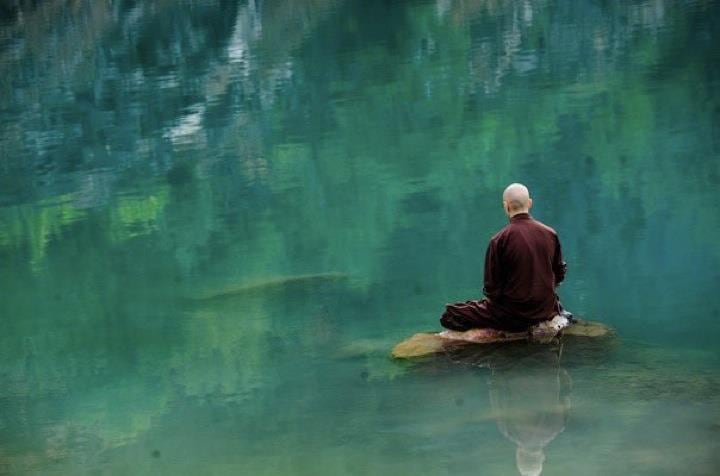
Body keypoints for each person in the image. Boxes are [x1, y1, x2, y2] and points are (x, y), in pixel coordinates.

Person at [440, 183, 567, 332]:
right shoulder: (550, 233)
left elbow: (491, 289)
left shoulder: (499, 240)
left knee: (451, 314)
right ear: (530, 203)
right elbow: (559, 274)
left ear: (506, 206)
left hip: (513, 315)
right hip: (545, 310)